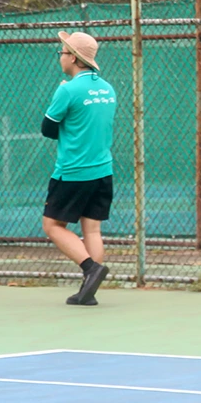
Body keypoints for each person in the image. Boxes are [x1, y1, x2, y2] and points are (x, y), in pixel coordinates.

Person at [40, 31, 115, 306]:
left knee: (52, 225)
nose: (60, 56)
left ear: (72, 57)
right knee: (92, 230)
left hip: (72, 172)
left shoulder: (67, 90)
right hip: (103, 171)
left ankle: (90, 268)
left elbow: (48, 129)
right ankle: (88, 292)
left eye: (62, 52)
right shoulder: (108, 89)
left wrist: (62, 96)